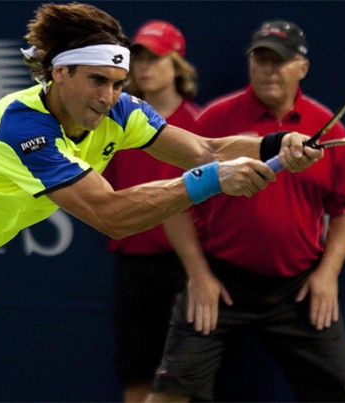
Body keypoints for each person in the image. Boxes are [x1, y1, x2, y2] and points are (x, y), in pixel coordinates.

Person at [0, 3, 321, 400]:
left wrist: (278, 145)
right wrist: (213, 181)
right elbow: (111, 215)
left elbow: (205, 148)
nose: (108, 96)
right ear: (59, 74)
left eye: (118, 84)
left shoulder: (121, 111)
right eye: (97, 81)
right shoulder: (24, 127)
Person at [147, 20, 345, 402]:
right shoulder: (216, 120)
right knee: (168, 395)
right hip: (220, 282)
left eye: (279, 60)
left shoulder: (325, 127)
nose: (268, 68)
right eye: (261, 58)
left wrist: (328, 274)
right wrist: (198, 275)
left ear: (302, 67)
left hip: (297, 289)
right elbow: (173, 199)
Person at [101, 20, 201, 403]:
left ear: (177, 64)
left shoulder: (198, 124)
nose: (144, 68)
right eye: (137, 58)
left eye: (156, 58)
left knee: (181, 380)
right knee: (137, 375)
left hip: (185, 268)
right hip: (134, 265)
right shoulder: (116, 122)